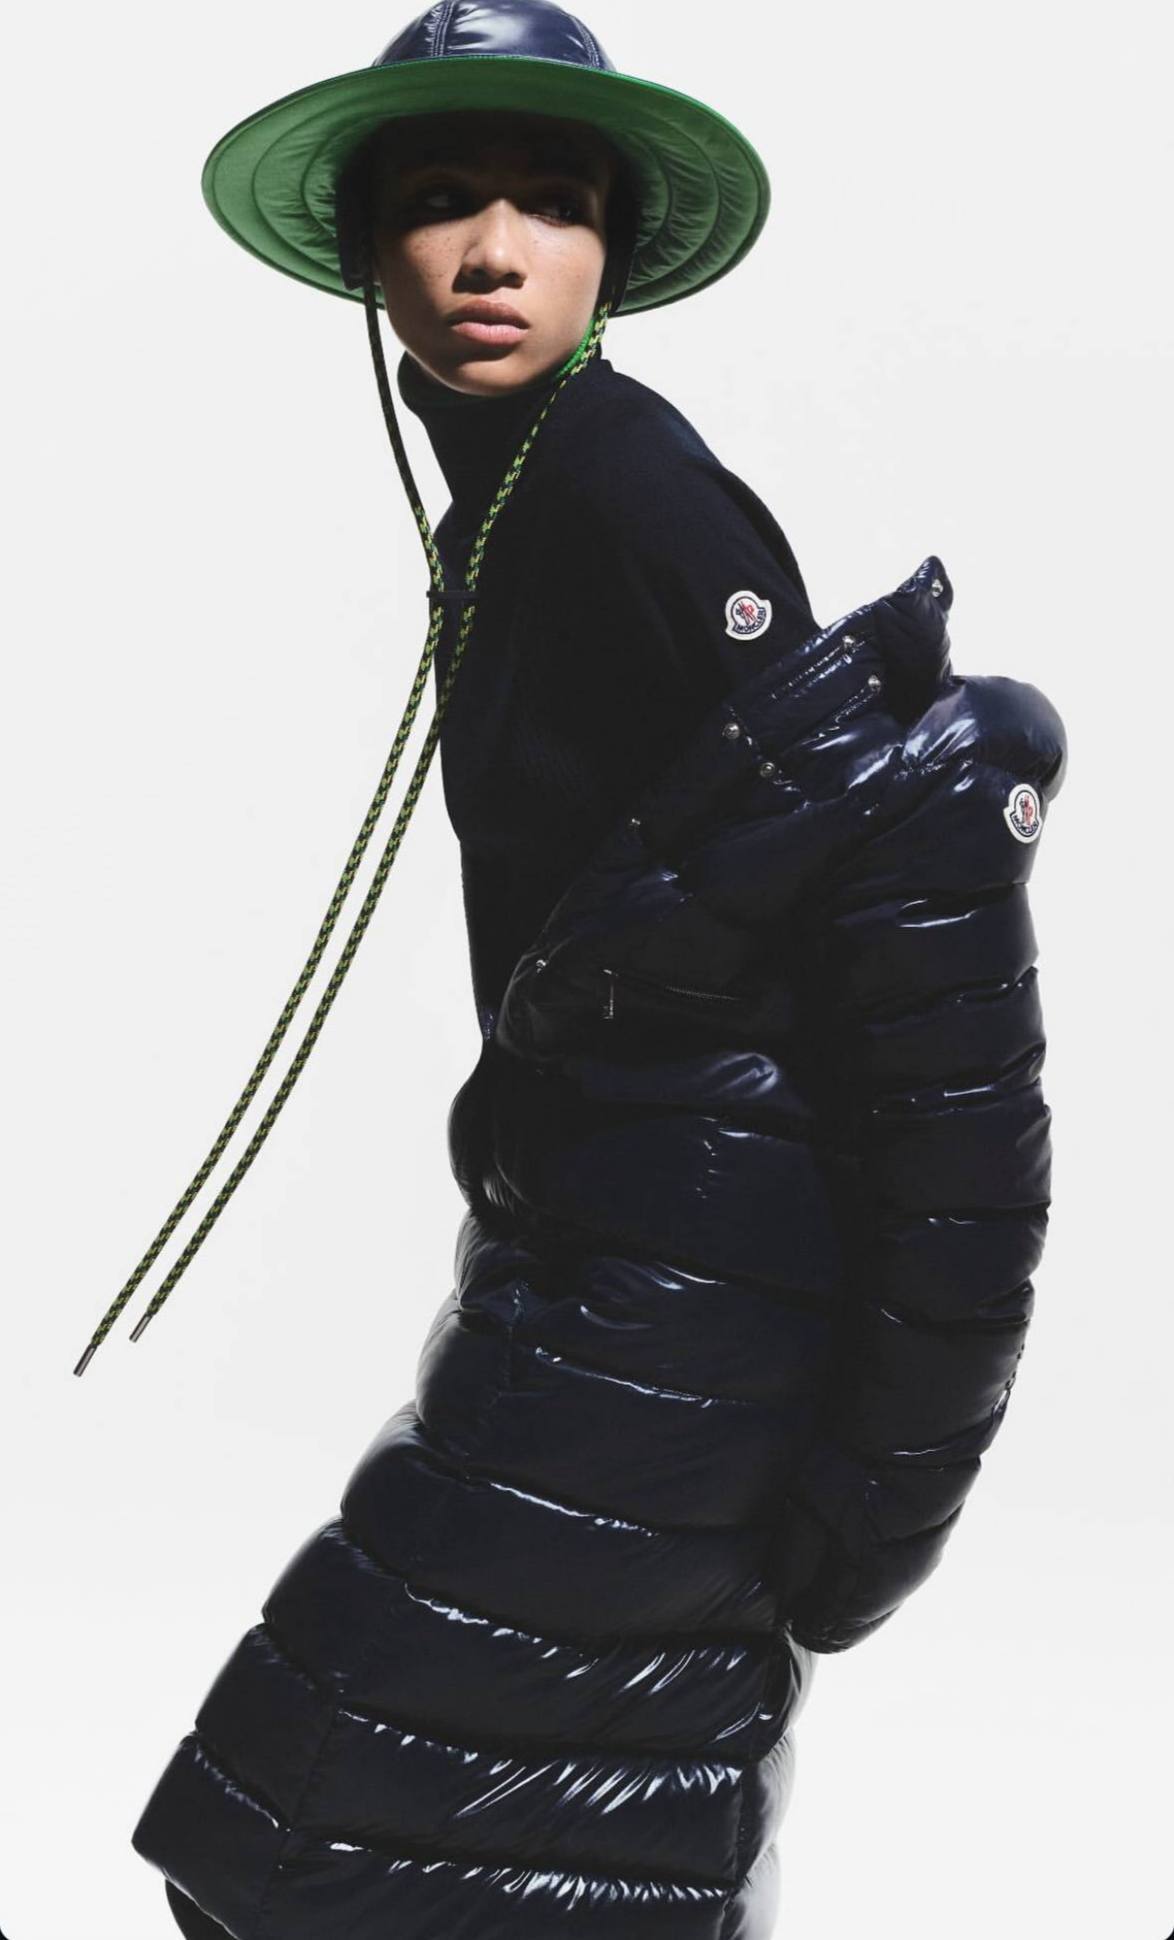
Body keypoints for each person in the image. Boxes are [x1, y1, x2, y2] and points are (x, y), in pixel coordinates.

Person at [120, 5, 1067, 1937]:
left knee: (330, 1784)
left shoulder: (624, 486)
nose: (492, 252)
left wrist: (888, 1402)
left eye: (551, 204)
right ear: (367, 249)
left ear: (611, 256)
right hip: (604, 1236)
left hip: (692, 1277)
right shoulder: (515, 484)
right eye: (439, 200)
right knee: (540, 1773)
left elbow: (866, 903)